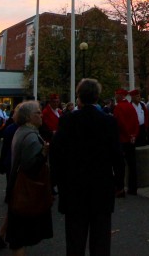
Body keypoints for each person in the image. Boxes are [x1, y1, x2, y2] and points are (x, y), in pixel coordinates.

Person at [51, 79, 124, 256]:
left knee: (75, 242)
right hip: (101, 190)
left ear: (79, 98)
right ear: (97, 97)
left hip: (74, 190)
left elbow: (56, 155)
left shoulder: (67, 121)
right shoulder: (108, 122)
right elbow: (118, 156)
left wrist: (57, 183)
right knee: (101, 242)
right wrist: (118, 183)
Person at [5, 101, 53, 254]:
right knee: (20, 237)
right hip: (25, 191)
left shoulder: (22, 131)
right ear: (28, 117)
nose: (41, 115)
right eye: (37, 113)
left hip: (17, 188)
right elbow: (30, 167)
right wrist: (44, 153)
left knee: (18, 236)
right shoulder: (31, 137)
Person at [0, 112, 20, 250]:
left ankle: (2, 232)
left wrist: (2, 165)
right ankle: (14, 238)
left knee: (14, 202)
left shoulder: (10, 128)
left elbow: (4, 149)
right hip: (18, 167)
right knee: (18, 202)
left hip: (10, 165)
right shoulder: (22, 130)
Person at [113, 88, 138, 196]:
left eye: (116, 95)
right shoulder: (131, 106)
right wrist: (133, 135)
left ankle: (120, 188)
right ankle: (133, 188)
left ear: (120, 96)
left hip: (122, 139)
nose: (115, 97)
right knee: (132, 164)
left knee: (120, 165)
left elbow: (120, 124)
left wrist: (127, 135)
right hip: (131, 139)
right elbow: (136, 122)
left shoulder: (118, 107)